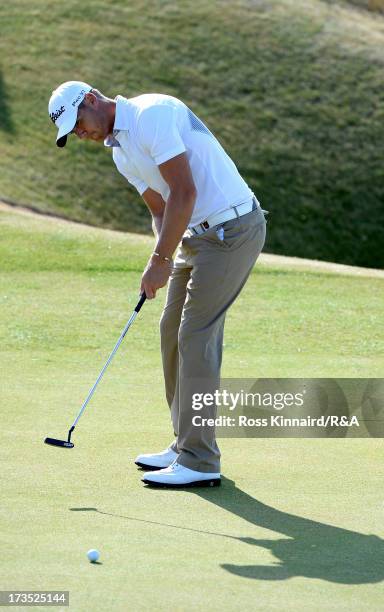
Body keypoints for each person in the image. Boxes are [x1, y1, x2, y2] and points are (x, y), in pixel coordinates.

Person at [48, 80, 267, 488]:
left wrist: (160, 260)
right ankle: (185, 443)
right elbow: (161, 209)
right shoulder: (120, 152)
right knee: (171, 330)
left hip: (233, 229)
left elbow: (185, 191)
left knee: (195, 333)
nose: (81, 135)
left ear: (92, 101)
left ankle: (201, 460)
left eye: (78, 124)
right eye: (73, 134)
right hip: (194, 237)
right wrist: (164, 257)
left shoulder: (152, 114)